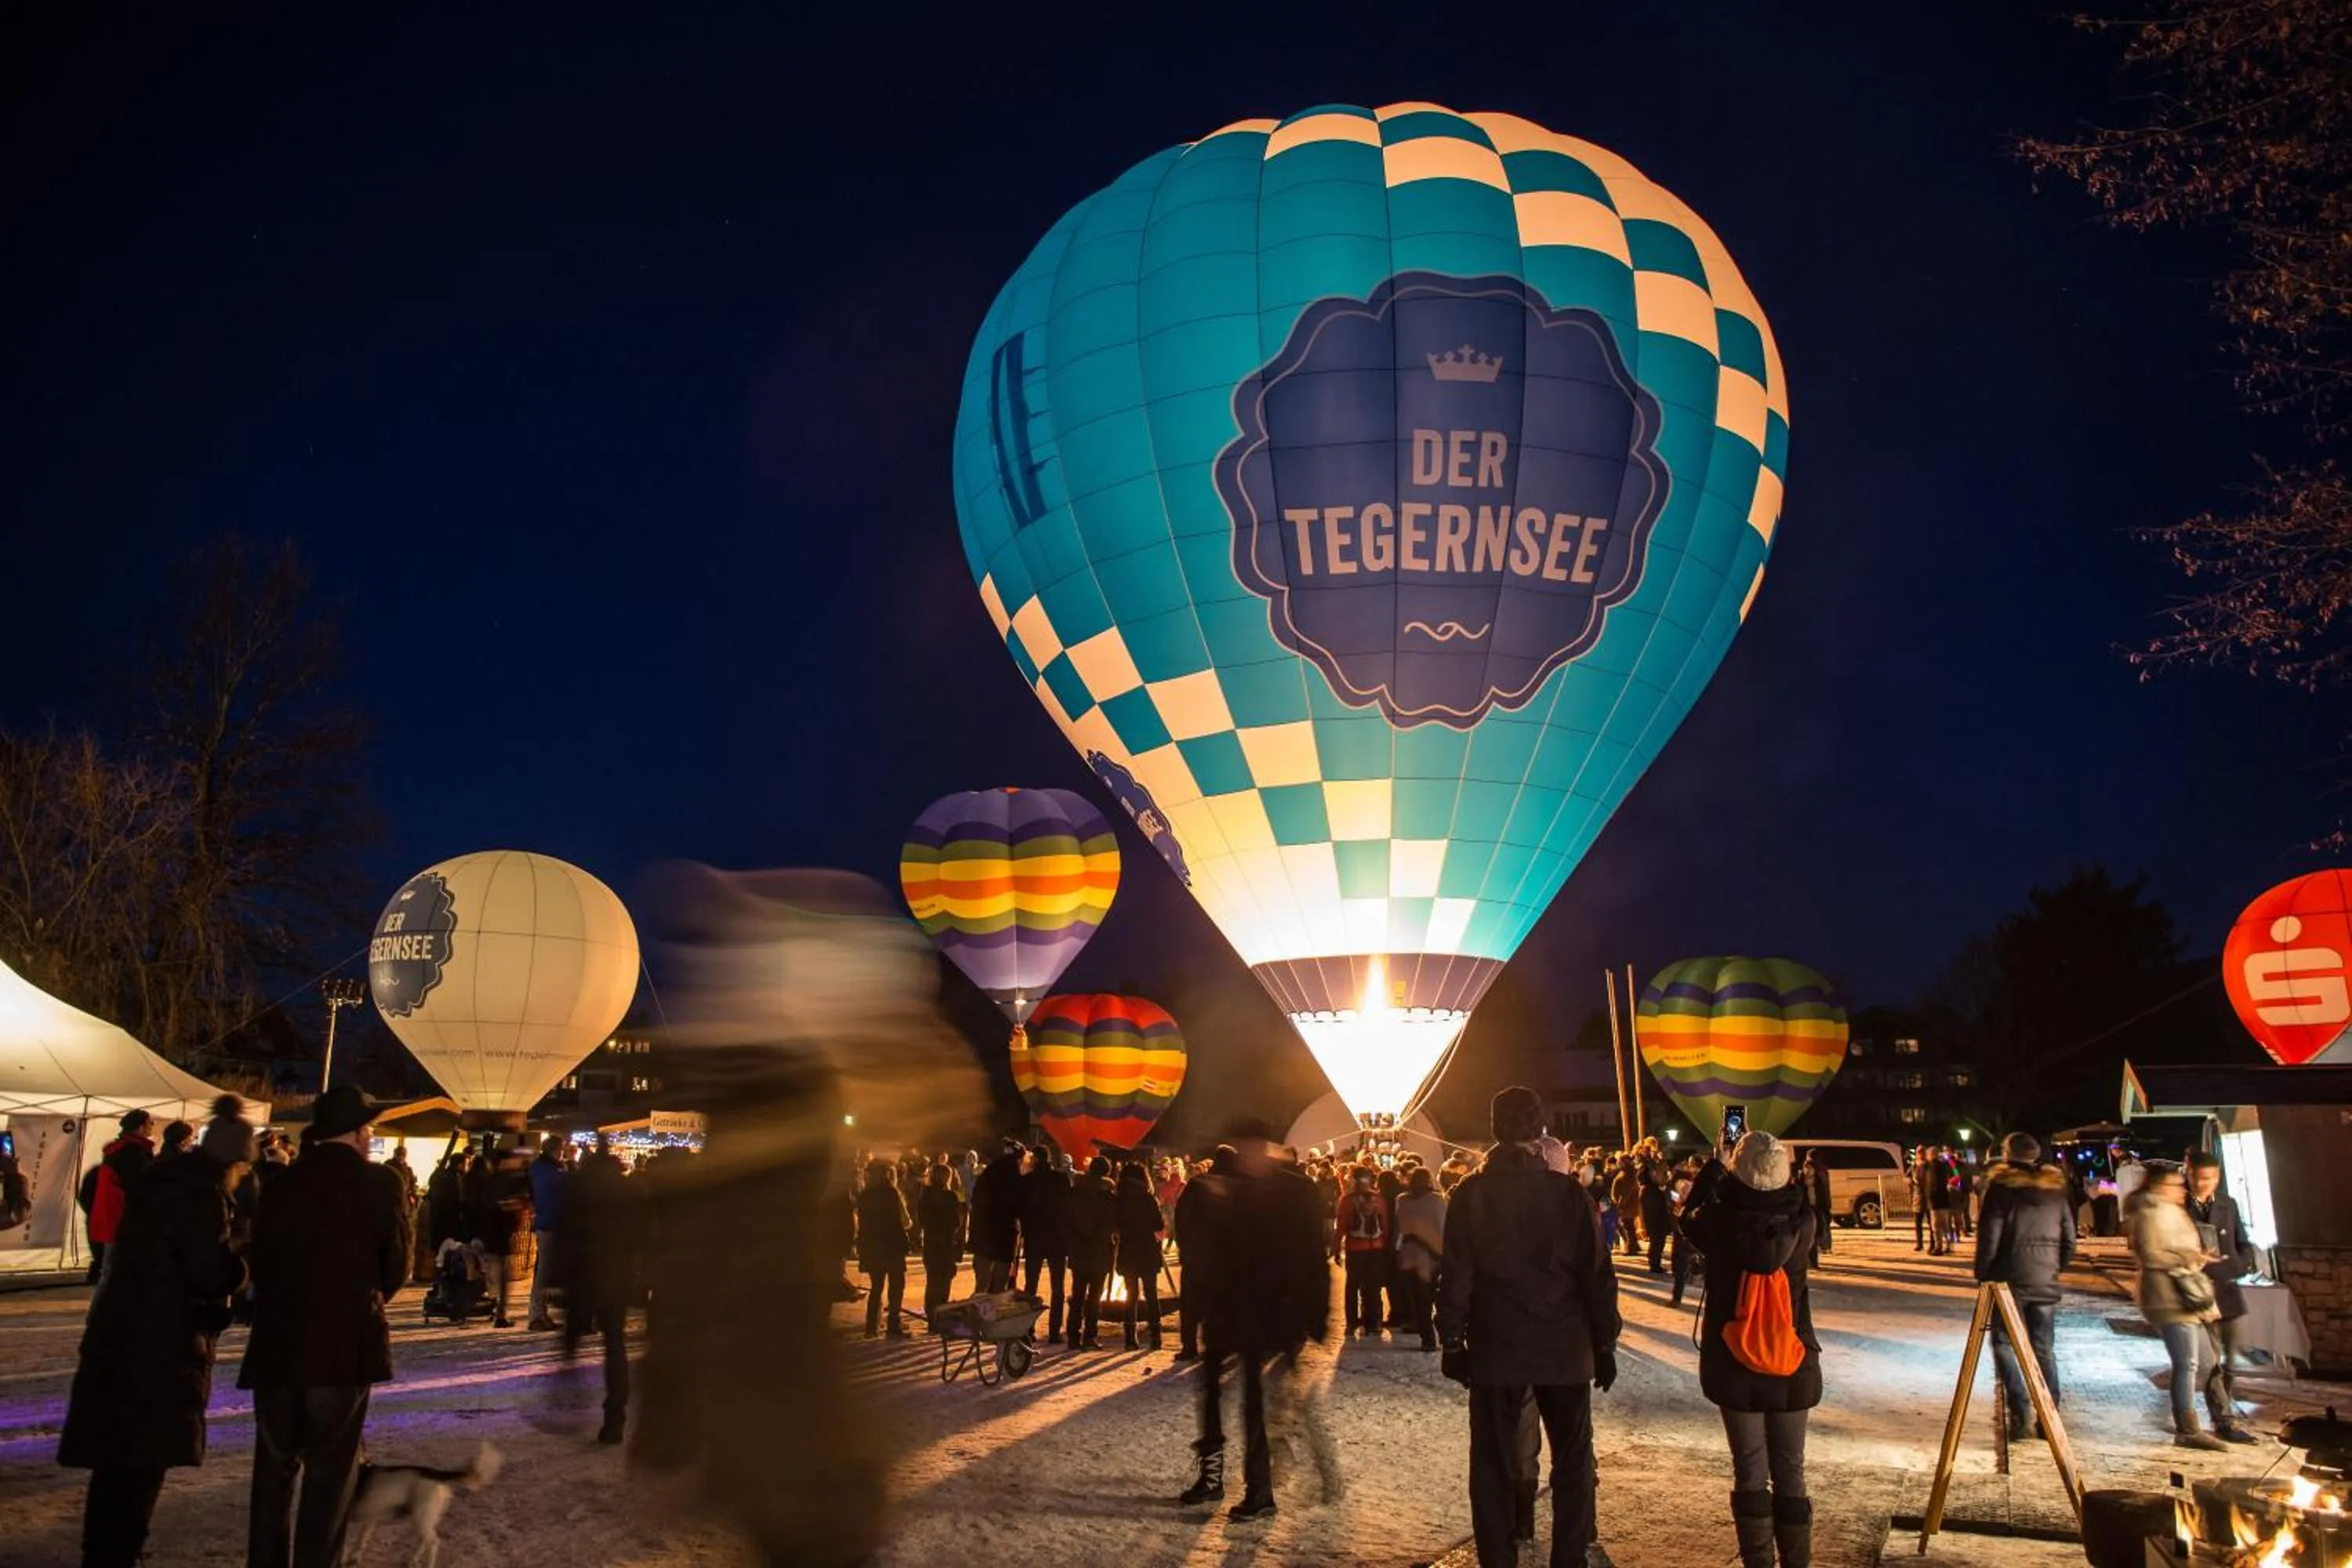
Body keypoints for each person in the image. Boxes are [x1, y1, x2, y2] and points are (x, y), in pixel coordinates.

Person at [58, 1098, 252, 1568]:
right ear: (232, 1162)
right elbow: (209, 1273)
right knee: (141, 1461)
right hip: (161, 1346)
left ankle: (103, 1551)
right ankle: (118, 1553)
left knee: (116, 1463)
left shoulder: (159, 1184)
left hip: (119, 1336)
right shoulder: (201, 1198)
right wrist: (240, 1260)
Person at [1438, 1087, 1620, 1568]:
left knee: (1493, 1463)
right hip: (1565, 1345)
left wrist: (1453, 1340)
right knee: (1573, 1459)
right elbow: (1597, 1274)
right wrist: (1604, 1341)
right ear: (1539, 1131)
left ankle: (1498, 1557)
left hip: (1498, 1347)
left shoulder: (1471, 1195)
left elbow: (1456, 1274)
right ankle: (1568, 1556)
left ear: (1495, 1128)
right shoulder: (1569, 1194)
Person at [239, 1085, 412, 1568]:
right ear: (359, 1133)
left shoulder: (276, 1184)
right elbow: (394, 1265)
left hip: (277, 1343)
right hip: (342, 1345)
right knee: (330, 1475)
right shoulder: (380, 1184)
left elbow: (257, 1257)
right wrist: (363, 1301)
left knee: (273, 1471)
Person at [1679, 1131, 1820, 1568]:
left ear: (1740, 1170)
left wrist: (1716, 1169)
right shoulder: (1804, 1221)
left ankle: (1757, 1561)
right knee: (1791, 1471)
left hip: (1735, 1361)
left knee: (1750, 1470)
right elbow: (1790, 1202)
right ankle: (1796, 1562)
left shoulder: (1719, 1223)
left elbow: (1686, 1218)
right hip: (1792, 1357)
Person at [1181, 1127, 1329, 1521]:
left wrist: (1312, 1319)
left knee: (1255, 1406)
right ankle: (1213, 1478)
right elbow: (1208, 1250)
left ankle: (1260, 1490)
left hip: (1268, 1312)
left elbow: (1313, 1255)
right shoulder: (1226, 1190)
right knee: (1212, 1394)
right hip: (1228, 1309)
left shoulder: (1295, 1192)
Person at [2125, 1161, 2234, 1450]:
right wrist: (2188, 1257)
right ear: (2160, 1187)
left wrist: (2196, 1256)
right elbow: (2150, 1255)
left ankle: (2196, 1421)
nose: (2182, 1189)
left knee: (2207, 1360)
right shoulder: (2150, 1213)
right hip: (2167, 1296)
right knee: (2187, 1363)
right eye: (2176, 1185)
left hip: (2186, 1294)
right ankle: (2187, 1428)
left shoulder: (2171, 1212)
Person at [1972, 1133, 2074, 1439]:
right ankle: (2049, 1416)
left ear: (2007, 1155)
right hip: (2044, 1279)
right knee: (2043, 1348)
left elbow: (1990, 1236)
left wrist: (1984, 1274)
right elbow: (2070, 1239)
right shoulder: (2055, 1190)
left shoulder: (2001, 1189)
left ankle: (2019, 1409)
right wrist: (2054, 1267)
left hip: (2008, 1280)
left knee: (2003, 1343)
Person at [561, 1133, 640, 1443]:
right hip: (615, 1275)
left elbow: (566, 1233)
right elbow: (640, 1234)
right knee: (614, 1342)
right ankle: (615, 1415)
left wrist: (560, 1277)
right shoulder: (628, 1189)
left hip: (583, 1274)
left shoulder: (577, 1188)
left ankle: (566, 1396)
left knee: (571, 1338)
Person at [2184, 1153, 2263, 1446]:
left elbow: (2242, 1243)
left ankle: (2225, 1412)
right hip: (2199, 1292)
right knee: (2212, 1361)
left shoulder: (2227, 1204)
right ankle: (2224, 1420)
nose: (2205, 1184)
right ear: (2189, 1174)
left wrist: (2238, 1264)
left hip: (2228, 1289)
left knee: (2232, 1359)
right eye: (2200, 1178)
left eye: (2211, 1178)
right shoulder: (2179, 1206)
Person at [81, 1109, 157, 1283]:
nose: (153, 1126)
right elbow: (139, 1187)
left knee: (111, 1268)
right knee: (117, 1272)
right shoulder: (133, 1152)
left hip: (111, 1217)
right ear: (140, 1127)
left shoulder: (117, 1150)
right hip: (124, 1218)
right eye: (150, 1123)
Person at [1064, 1156, 1117, 1350]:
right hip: (1099, 1253)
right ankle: (1090, 1336)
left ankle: (1072, 1336)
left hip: (1078, 1251)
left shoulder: (1075, 1193)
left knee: (1077, 1295)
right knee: (1094, 1298)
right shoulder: (1109, 1197)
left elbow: (1067, 1219)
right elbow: (1112, 1225)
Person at [1020, 1142, 1071, 1343]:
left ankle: (1027, 1328)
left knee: (1030, 1285)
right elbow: (1068, 1207)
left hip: (1034, 1237)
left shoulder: (1027, 1181)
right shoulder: (1060, 1179)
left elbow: (1021, 1209)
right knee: (1057, 1287)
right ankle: (1054, 1330)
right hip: (1057, 1238)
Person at [855, 1158, 911, 1339]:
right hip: (892, 1245)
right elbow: (905, 1221)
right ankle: (893, 1323)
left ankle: (871, 1326)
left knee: (876, 1286)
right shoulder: (891, 1193)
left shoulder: (864, 1195)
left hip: (872, 1247)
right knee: (896, 1285)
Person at [1393, 1163, 1447, 1351]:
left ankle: (1427, 1337)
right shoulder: (1438, 1201)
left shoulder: (1402, 1200)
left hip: (1410, 1255)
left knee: (1420, 1299)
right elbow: (1444, 1227)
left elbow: (1401, 1226)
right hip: (1435, 1255)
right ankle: (1440, 1336)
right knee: (1434, 1298)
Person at [1114, 1160, 1165, 1349]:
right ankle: (1156, 1337)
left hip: (1128, 1249)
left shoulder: (1119, 1200)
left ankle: (1130, 1338)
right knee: (1151, 1294)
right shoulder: (1148, 1199)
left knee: (1131, 1294)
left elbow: (1116, 1225)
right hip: (1147, 1249)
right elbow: (1158, 1224)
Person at [1336, 1164, 1391, 1338]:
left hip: (1354, 1248)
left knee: (1352, 1286)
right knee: (1373, 1286)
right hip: (1375, 1247)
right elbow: (1385, 1225)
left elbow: (1342, 1227)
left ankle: (1351, 1323)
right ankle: (1373, 1322)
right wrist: (1386, 1245)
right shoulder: (1379, 1200)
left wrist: (1336, 1248)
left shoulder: (1347, 1200)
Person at [967, 1138, 1024, 1294]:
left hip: (984, 1232)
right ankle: (994, 1311)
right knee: (999, 1285)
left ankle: (978, 1310)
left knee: (982, 1284)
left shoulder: (989, 1173)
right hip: (1005, 1234)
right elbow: (1018, 1206)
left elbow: (976, 1200)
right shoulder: (1014, 1176)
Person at [1171, 1155, 1212, 1362]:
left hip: (1194, 1255)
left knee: (1190, 1305)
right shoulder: (1223, 1188)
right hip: (1216, 1258)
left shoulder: (1194, 1188)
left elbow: (1180, 1217)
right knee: (1214, 1303)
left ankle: (1189, 1345)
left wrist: (1184, 1246)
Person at [916, 1163, 965, 1324]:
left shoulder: (925, 1196)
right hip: (946, 1243)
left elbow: (922, 1220)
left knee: (932, 1282)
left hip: (931, 1243)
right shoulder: (950, 1197)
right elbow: (956, 1223)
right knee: (944, 1282)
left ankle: (931, 1317)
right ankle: (940, 1317)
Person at [527, 1137, 567, 1331]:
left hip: (546, 1222)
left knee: (543, 1270)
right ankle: (537, 1315)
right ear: (556, 1150)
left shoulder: (539, 1169)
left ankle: (539, 1313)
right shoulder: (550, 1171)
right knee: (544, 1271)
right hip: (550, 1223)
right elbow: (557, 1194)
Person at [1640, 1163, 1675, 1275]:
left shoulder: (1649, 1188)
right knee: (1657, 1243)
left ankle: (1655, 1263)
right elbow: (1657, 1206)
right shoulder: (1650, 1190)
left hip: (1654, 1220)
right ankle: (1654, 1264)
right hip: (1656, 1220)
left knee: (1658, 1242)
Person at [1805, 1152, 1833, 1259]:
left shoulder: (1809, 1168)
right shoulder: (1822, 1170)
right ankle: (1824, 1246)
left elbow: (1810, 1186)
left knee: (1817, 1226)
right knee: (1822, 1224)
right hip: (1821, 1201)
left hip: (1814, 1202)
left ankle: (1820, 1247)